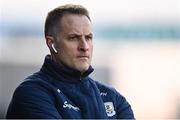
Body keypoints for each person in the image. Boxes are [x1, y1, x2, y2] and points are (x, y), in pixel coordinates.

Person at [6, 4, 134, 119]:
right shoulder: (31, 94)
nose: (84, 46)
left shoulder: (113, 98)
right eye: (73, 38)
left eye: (88, 38)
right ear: (51, 43)